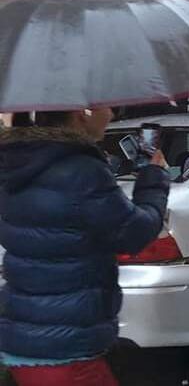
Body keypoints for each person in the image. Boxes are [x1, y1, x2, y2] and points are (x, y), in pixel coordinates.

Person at [0, 108, 169, 386]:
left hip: (25, 345)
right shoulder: (82, 170)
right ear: (82, 112)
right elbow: (134, 233)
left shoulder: (18, 164)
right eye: (105, 105)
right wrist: (154, 179)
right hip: (68, 351)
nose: (112, 114)